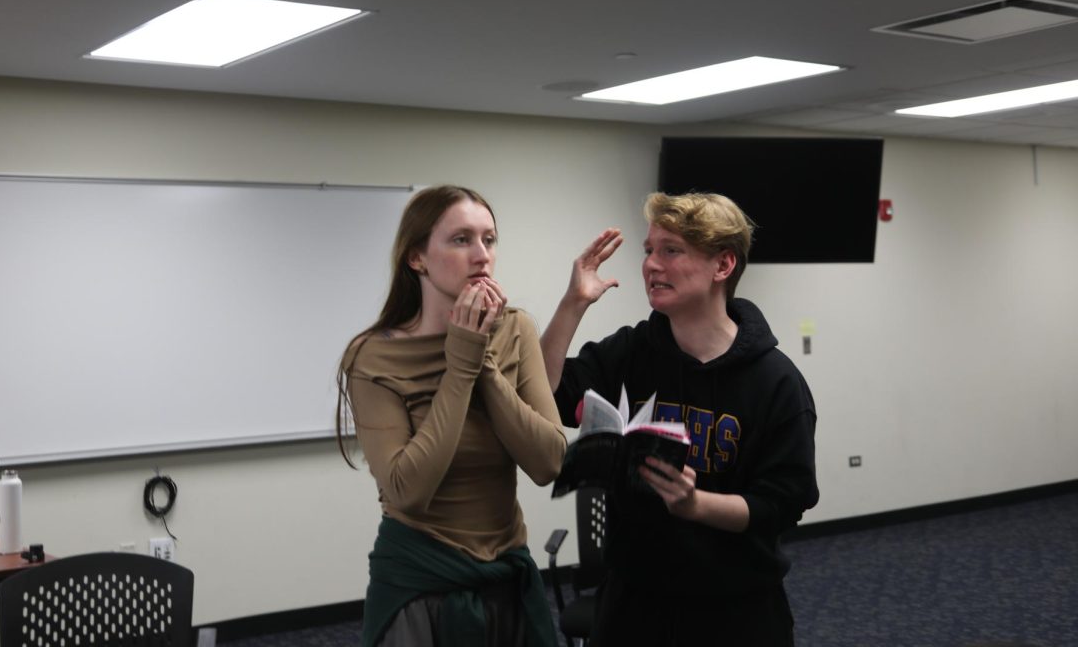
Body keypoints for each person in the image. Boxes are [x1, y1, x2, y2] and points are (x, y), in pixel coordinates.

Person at [540, 192, 818, 646]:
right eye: (649, 250)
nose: (651, 264)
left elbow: (782, 504)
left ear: (722, 266)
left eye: (671, 250)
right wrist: (573, 303)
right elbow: (546, 394)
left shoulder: (776, 381)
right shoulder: (630, 351)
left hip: (734, 610)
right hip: (632, 603)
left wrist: (696, 506)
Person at [337, 184, 566, 647]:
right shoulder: (372, 356)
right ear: (416, 258)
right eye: (461, 240)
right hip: (420, 584)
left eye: (489, 239)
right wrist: (462, 360)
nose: (481, 255)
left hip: (507, 574)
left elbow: (549, 464)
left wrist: (481, 362)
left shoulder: (516, 329)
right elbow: (408, 490)